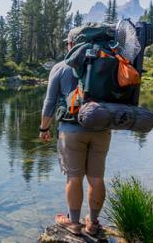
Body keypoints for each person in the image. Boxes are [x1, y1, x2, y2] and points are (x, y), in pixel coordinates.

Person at [39, 28, 112, 236]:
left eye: (67, 43)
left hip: (71, 130)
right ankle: (94, 222)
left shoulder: (61, 67)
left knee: (74, 177)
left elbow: (50, 102)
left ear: (72, 45)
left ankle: (73, 223)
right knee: (96, 178)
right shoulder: (105, 65)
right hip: (102, 129)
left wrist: (44, 127)